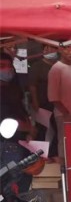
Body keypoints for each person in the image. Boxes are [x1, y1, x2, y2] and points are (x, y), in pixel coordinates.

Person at [1, 53, 35, 193]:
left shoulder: (12, 89)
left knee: (20, 187)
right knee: (10, 188)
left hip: (19, 143)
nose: (7, 69)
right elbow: (5, 121)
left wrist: (29, 131)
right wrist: (28, 128)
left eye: (10, 66)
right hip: (6, 146)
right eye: (2, 66)